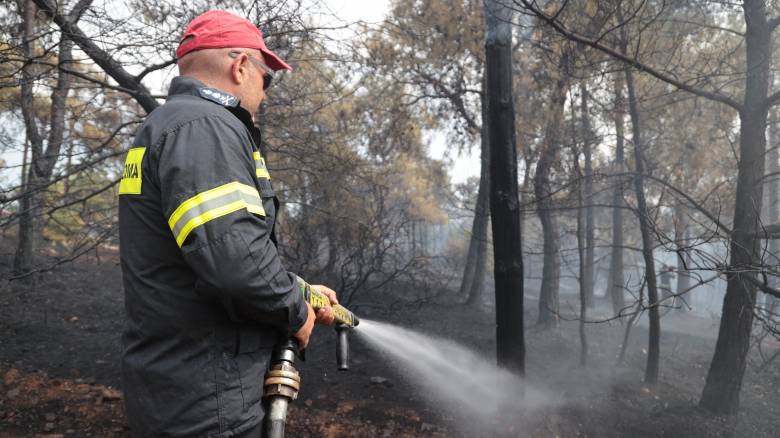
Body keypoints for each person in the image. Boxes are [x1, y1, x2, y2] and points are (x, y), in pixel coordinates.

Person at [118, 10, 338, 437]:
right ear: (240, 66)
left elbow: (205, 251)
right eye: (266, 79)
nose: (265, 95)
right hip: (208, 395)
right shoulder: (206, 128)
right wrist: (294, 310)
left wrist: (296, 288)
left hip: (176, 383)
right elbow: (233, 260)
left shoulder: (168, 124)